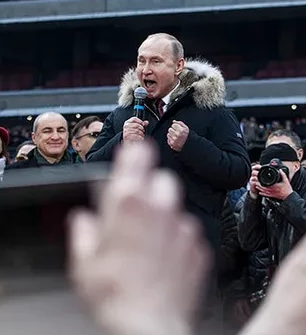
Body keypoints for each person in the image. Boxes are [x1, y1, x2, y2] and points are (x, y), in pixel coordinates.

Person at [88, 33, 250, 253]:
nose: (146, 70)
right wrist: (120, 142)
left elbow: (239, 171)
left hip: (192, 246)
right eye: (141, 61)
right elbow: (90, 169)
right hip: (133, 244)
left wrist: (191, 145)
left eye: (156, 61)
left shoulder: (213, 112)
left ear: (178, 66)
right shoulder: (121, 115)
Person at [236, 144, 306, 283]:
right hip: (285, 281)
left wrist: (288, 197)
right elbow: (249, 242)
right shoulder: (267, 194)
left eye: (282, 169)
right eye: (269, 170)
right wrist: (253, 197)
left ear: (297, 166)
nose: (276, 174)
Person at [10, 112, 79, 169]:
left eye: (61, 131)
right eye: (47, 131)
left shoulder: (82, 167)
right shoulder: (14, 172)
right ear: (34, 138)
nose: (55, 137)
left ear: (67, 135)